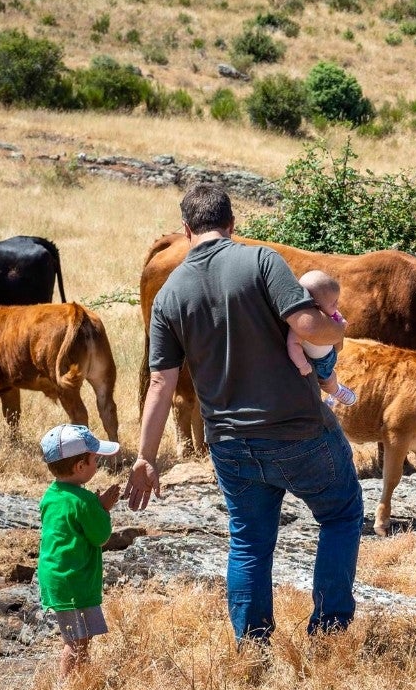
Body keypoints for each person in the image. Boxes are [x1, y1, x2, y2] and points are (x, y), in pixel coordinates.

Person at [125, 183, 363, 643]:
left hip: (229, 443)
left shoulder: (171, 293)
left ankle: (253, 646)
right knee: (341, 514)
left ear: (186, 229)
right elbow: (308, 325)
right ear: (233, 224)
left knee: (249, 543)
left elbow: (161, 382)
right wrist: (338, 326)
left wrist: (145, 457)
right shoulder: (261, 261)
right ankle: (329, 633)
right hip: (298, 431)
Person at [36, 423, 121, 679]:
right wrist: (102, 508)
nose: (97, 464)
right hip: (74, 581)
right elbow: (101, 537)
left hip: (57, 577)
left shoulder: (51, 495)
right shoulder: (83, 502)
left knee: (79, 639)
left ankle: (78, 684)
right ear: (80, 467)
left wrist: (94, 504)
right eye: (95, 459)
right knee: (76, 642)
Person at [288, 270, 357, 407]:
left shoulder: (327, 311)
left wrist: (341, 321)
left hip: (330, 352)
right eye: (333, 303)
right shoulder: (302, 324)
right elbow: (293, 344)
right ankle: (336, 391)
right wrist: (302, 364)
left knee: (333, 365)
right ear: (316, 306)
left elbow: (336, 314)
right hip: (320, 362)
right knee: (327, 379)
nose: (337, 306)